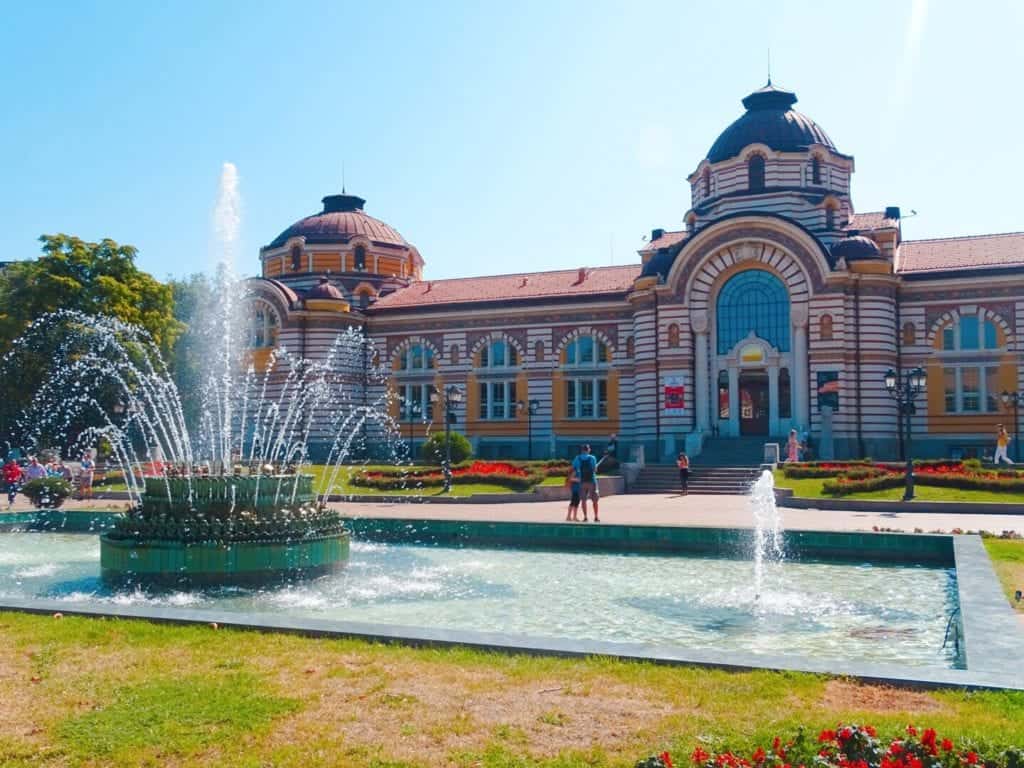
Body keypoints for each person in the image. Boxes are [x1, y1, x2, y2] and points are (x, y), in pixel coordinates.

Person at [572, 444, 600, 523]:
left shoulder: (577, 458)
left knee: (583, 500)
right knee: (595, 500)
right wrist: (596, 468)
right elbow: (595, 470)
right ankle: (596, 517)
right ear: (588, 450)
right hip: (592, 481)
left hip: (582, 482)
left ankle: (585, 517)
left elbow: (574, 469)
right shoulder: (592, 458)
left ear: (582, 450)